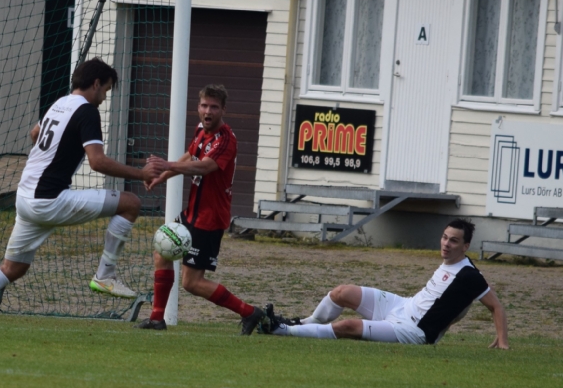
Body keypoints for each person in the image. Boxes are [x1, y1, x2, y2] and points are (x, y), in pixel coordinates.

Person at [0, 58, 158, 336]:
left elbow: (35, 133)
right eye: (106, 90)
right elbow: (97, 162)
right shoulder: (87, 111)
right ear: (96, 83)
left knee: (13, 268)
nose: (103, 98)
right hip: (49, 200)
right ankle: (105, 275)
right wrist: (141, 173)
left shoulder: (59, 103)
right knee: (130, 203)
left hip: (25, 197)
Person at [135, 84, 265, 335]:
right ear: (198, 107)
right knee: (162, 252)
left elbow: (204, 167)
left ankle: (250, 312)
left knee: (192, 283)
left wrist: (166, 165)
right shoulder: (200, 130)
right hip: (193, 213)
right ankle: (156, 319)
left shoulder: (225, 139)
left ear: (223, 110)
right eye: (204, 105)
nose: (208, 111)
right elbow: (191, 155)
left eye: (214, 107)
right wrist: (163, 176)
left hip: (209, 218)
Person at [261, 219, 509, 348]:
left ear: (466, 246)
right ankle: (302, 323)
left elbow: (496, 306)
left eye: (453, 241)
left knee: (347, 326)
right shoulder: (450, 262)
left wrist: (503, 341)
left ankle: (280, 329)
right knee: (341, 292)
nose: (446, 244)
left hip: (414, 331)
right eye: (444, 237)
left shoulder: (469, 275)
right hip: (403, 306)